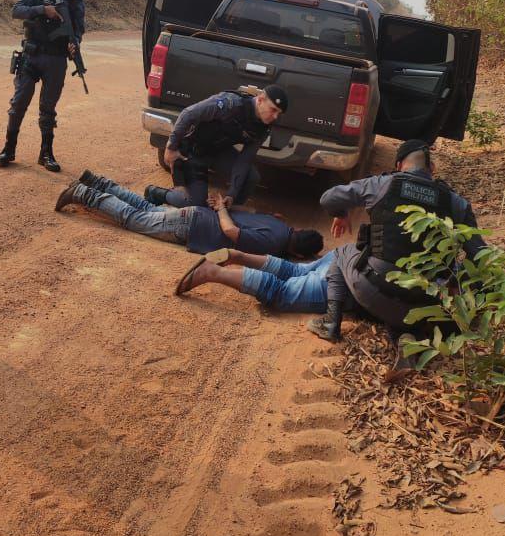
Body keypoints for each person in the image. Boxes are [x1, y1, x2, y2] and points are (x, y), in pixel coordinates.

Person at [309, 139, 486, 346]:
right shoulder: (455, 203)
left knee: (342, 253)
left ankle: (331, 322)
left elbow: (328, 199)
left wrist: (340, 213)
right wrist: (473, 306)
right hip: (426, 305)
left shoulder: (382, 184)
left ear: (399, 165)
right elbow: (479, 257)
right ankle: (406, 335)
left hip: (373, 292)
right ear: (432, 169)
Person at [54, 169, 323, 260]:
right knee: (133, 219)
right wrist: (220, 211)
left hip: (195, 216)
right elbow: (231, 232)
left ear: (298, 231)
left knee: (146, 208)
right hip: (194, 226)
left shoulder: (278, 222)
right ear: (298, 254)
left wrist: (222, 206)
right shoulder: (273, 245)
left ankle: (97, 182)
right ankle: (84, 193)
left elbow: (249, 213)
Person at [0, 0, 85, 172]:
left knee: (48, 108)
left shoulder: (76, 0)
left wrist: (75, 44)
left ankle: (46, 153)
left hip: (56, 59)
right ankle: (9, 148)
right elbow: (17, 10)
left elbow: (79, 29)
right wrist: (42, 10)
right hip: (31, 55)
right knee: (19, 103)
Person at [147, 85, 288, 209]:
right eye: (273, 109)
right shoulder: (231, 104)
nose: (275, 116)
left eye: (279, 113)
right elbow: (188, 114)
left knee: (251, 177)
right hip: (194, 151)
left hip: (218, 152)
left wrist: (232, 194)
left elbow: (245, 159)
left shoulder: (263, 127)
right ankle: (156, 193)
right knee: (194, 203)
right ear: (260, 99)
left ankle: (228, 210)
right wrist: (171, 147)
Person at [175, 247, 334, 311]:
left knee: (297, 270)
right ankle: (212, 272)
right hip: (350, 277)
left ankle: (239, 256)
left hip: (345, 254)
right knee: (282, 292)